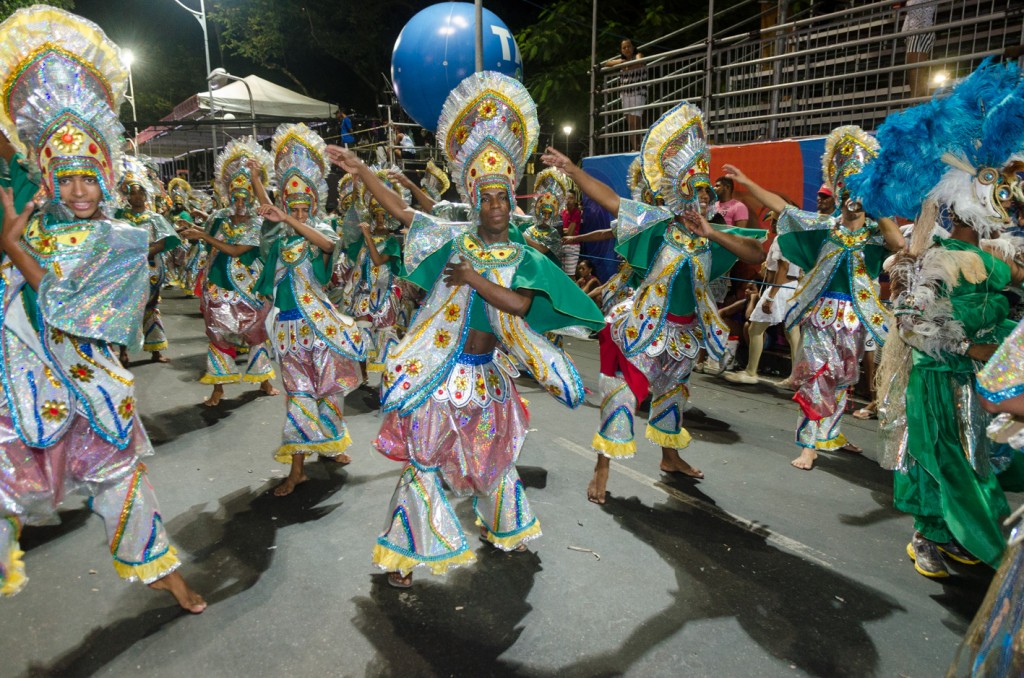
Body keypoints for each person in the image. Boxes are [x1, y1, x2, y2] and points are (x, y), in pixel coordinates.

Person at [327, 71, 605, 588]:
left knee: (495, 456)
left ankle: (506, 527)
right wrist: (362, 170)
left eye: (502, 198)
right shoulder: (452, 241)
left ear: (511, 199)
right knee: (425, 461)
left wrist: (474, 278)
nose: (495, 207)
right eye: (487, 198)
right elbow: (402, 211)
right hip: (441, 372)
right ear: (475, 199)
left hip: (487, 375)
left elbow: (519, 305)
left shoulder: (522, 255)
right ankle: (405, 555)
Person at [0, 5, 204, 611]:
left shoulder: (123, 240)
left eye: (88, 177)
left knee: (120, 481)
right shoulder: (36, 223)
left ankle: (163, 573)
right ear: (49, 181)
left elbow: (63, 302)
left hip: (93, 383)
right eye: (65, 179)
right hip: (28, 380)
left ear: (106, 178)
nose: (78, 190)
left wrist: (14, 246)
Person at [543, 102, 767, 503]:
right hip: (645, 329)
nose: (702, 199)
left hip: (683, 334)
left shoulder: (711, 237)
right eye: (696, 191)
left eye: (707, 193)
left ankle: (669, 457)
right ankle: (602, 466)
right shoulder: (659, 224)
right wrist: (573, 170)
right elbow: (611, 201)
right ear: (680, 192)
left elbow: (756, 252)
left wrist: (713, 234)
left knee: (672, 395)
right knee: (624, 395)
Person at [852, 59, 1024, 578]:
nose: (1009, 206)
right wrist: (975, 349)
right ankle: (932, 536)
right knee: (942, 461)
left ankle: (955, 533)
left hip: (975, 379)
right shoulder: (934, 259)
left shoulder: (996, 258)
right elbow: (911, 325)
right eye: (1001, 195)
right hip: (938, 380)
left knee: (973, 460)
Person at [724, 126, 904, 470]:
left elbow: (899, 244)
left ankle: (830, 435)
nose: (851, 196)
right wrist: (747, 182)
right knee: (816, 376)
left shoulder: (874, 234)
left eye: (857, 189)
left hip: (855, 318)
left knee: (843, 378)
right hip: (820, 314)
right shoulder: (824, 227)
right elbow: (782, 207)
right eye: (846, 189)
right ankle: (808, 445)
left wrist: (874, 199)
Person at [254, 124, 366, 496]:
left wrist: (290, 221)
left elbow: (331, 248)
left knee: (328, 390)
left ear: (313, 207)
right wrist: (259, 186)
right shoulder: (277, 243)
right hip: (288, 331)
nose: (299, 214)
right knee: (299, 395)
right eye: (293, 208)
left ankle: (332, 445)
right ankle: (297, 469)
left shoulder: (320, 235)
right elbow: (268, 285)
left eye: (305, 209)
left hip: (319, 328)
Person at [179, 138, 279, 406]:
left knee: (256, 334)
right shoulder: (218, 218)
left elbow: (236, 250)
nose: (240, 201)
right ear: (228, 194)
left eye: (245, 195)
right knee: (217, 334)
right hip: (218, 286)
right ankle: (218, 388)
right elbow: (207, 246)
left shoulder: (259, 222)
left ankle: (264, 380)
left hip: (251, 289)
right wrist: (196, 233)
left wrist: (204, 235)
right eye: (235, 195)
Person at [115, 156, 182, 366]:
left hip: (151, 268)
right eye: (132, 193)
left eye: (140, 192)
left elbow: (161, 243)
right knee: (126, 309)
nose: (136, 197)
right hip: (126, 270)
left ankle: (156, 350)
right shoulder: (119, 217)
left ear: (146, 194)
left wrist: (139, 253)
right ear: (126, 195)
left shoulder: (155, 218)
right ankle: (123, 352)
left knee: (151, 307)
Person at [725, 210, 803, 386]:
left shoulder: (781, 240)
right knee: (792, 333)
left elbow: (783, 268)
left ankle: (751, 372)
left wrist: (771, 297)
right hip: (792, 288)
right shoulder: (796, 241)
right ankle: (796, 377)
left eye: (775, 222)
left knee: (755, 329)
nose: (771, 225)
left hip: (779, 290)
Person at [604, 38, 647, 151]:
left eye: (629, 46)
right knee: (631, 123)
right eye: (624, 48)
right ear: (621, 50)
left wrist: (626, 66)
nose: (627, 49)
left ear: (633, 47)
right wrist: (622, 63)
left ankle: (639, 147)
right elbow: (607, 63)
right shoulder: (622, 61)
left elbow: (638, 63)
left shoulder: (638, 55)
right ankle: (636, 148)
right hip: (626, 94)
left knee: (635, 121)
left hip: (638, 92)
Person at [560, 191, 583, 275]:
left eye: (571, 198)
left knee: (570, 274)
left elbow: (569, 233)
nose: (568, 200)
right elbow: (560, 230)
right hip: (562, 245)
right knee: (562, 274)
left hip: (572, 246)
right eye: (567, 198)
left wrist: (563, 230)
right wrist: (564, 230)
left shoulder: (576, 213)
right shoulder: (562, 212)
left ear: (575, 200)